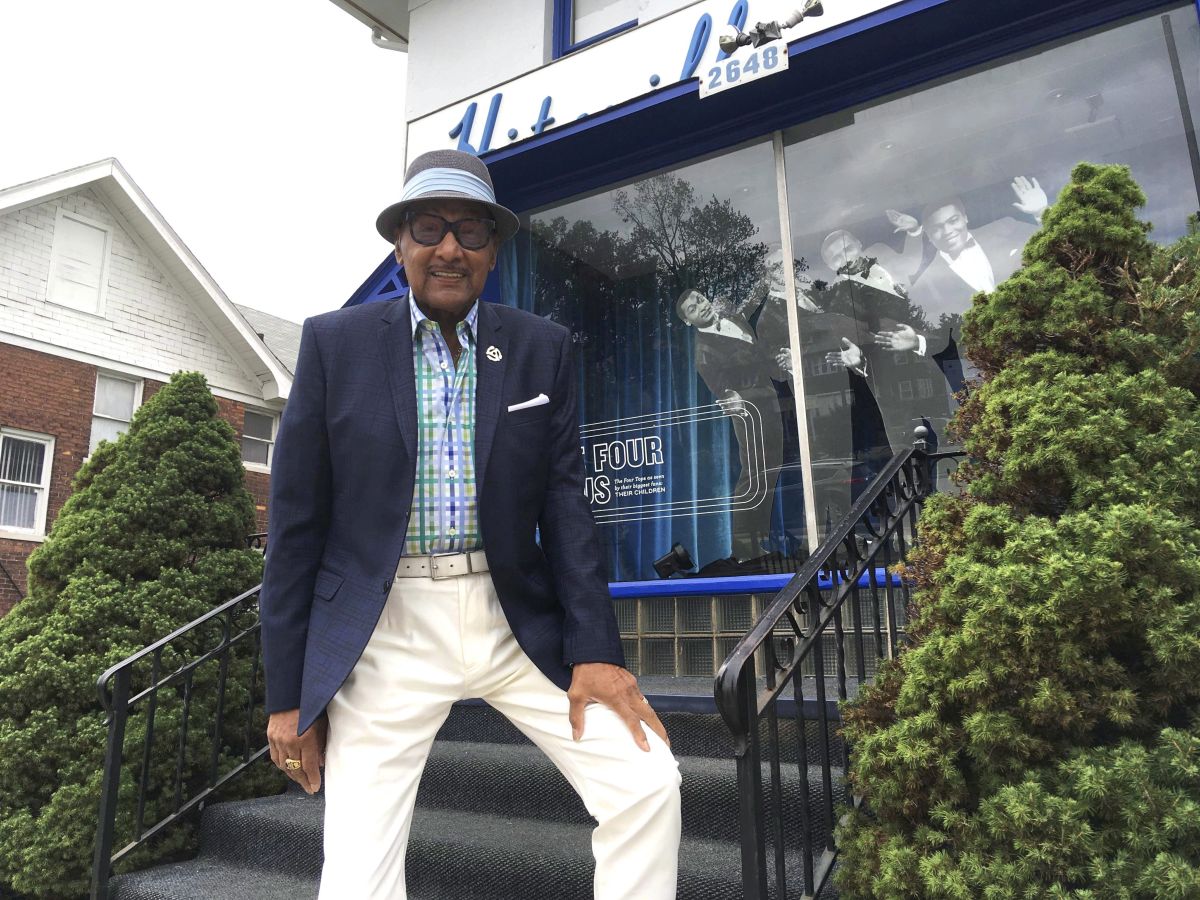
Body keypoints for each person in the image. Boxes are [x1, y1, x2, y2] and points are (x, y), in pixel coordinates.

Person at [260, 149, 682, 900]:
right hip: (385, 627)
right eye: (429, 227)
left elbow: (565, 504)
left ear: (493, 251)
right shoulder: (334, 345)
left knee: (647, 781)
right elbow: (295, 527)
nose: (449, 247)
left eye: (471, 231)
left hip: (510, 616)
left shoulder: (540, 347)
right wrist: (286, 697)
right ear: (400, 243)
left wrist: (596, 650)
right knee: (356, 874)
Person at [675, 287, 784, 562]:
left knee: (772, 471)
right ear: (688, 321)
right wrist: (729, 397)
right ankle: (744, 549)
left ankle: (758, 542)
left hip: (770, 403)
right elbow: (723, 391)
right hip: (750, 415)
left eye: (700, 300)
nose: (701, 306)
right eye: (692, 309)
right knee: (754, 476)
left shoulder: (734, 317)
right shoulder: (704, 352)